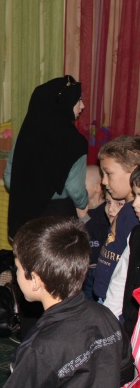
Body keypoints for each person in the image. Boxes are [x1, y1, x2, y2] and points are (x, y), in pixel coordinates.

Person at [5, 216, 134, 387]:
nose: (16, 274)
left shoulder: (39, 348)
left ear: (35, 280)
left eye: (18, 268)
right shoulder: (106, 316)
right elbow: (126, 372)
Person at [5, 75, 88, 239]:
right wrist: (85, 203)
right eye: (78, 100)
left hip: (22, 219)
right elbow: (75, 189)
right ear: (65, 102)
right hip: (56, 220)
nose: (82, 106)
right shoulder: (74, 141)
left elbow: (9, 178)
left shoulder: (25, 136)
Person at [94, 136, 140, 304]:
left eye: (108, 173)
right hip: (105, 295)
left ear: (133, 171)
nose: (104, 181)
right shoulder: (126, 210)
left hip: (117, 302)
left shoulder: (134, 214)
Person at [106, 167, 140, 334]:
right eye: (135, 195)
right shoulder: (135, 235)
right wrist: (107, 325)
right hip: (131, 328)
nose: (135, 204)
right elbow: (119, 282)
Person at [82, 165, 109, 300]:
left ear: (98, 187)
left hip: (99, 269)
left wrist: (84, 217)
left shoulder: (106, 209)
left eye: (82, 183)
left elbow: (101, 233)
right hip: (84, 269)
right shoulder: (80, 209)